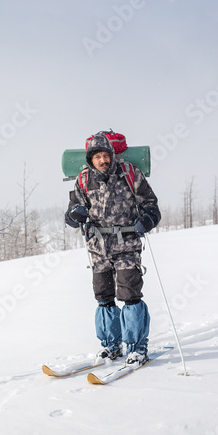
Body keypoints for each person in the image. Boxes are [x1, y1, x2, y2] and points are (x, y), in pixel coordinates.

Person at [64, 131, 162, 365]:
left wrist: (147, 220)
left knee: (130, 295)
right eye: (97, 156)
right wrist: (75, 214)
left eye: (105, 155)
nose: (102, 160)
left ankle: (137, 347)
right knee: (104, 298)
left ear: (112, 155)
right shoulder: (84, 180)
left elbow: (152, 206)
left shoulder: (130, 174)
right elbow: (70, 216)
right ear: (91, 159)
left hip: (127, 245)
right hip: (98, 249)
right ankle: (111, 345)